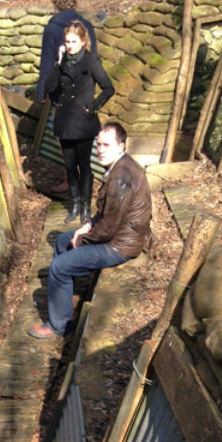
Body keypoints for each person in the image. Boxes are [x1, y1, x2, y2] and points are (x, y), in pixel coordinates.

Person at [28, 122, 152, 340]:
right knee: (61, 242)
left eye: (106, 145)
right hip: (115, 235)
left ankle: (59, 326)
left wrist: (83, 239)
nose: (100, 150)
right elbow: (106, 213)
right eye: (98, 144)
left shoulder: (121, 177)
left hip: (120, 245)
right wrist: (87, 225)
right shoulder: (118, 167)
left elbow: (109, 228)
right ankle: (59, 298)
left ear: (121, 146)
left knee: (59, 266)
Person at [43, 20, 114, 225]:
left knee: (85, 166)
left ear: (83, 41)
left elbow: (108, 88)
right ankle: (74, 205)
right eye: (68, 41)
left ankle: (85, 207)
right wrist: (58, 61)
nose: (71, 45)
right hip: (65, 122)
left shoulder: (91, 61)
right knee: (69, 166)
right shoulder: (63, 60)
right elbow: (50, 86)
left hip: (83, 123)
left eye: (74, 41)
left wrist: (92, 106)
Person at [36, 0, 99, 199]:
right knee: (82, 135)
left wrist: (42, 93)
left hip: (62, 94)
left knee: (63, 138)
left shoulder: (52, 28)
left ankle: (70, 178)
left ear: (55, 4)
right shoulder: (86, 26)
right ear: (74, 2)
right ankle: (83, 179)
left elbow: (47, 63)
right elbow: (93, 59)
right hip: (83, 90)